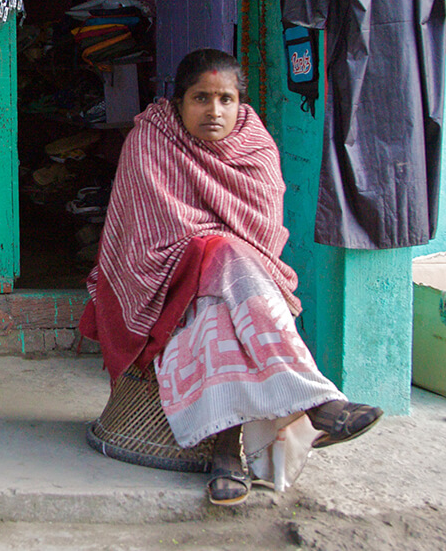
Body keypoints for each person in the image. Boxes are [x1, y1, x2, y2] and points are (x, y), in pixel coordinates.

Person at [79, 49, 383, 506]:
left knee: (221, 301)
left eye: (226, 99)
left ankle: (225, 451)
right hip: (158, 277)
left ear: (241, 103)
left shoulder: (255, 144)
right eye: (201, 98)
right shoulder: (151, 140)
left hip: (233, 285)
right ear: (178, 102)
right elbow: (150, 230)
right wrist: (216, 246)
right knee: (220, 253)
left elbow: (261, 228)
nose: (214, 111)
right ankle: (317, 404)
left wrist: (219, 249)